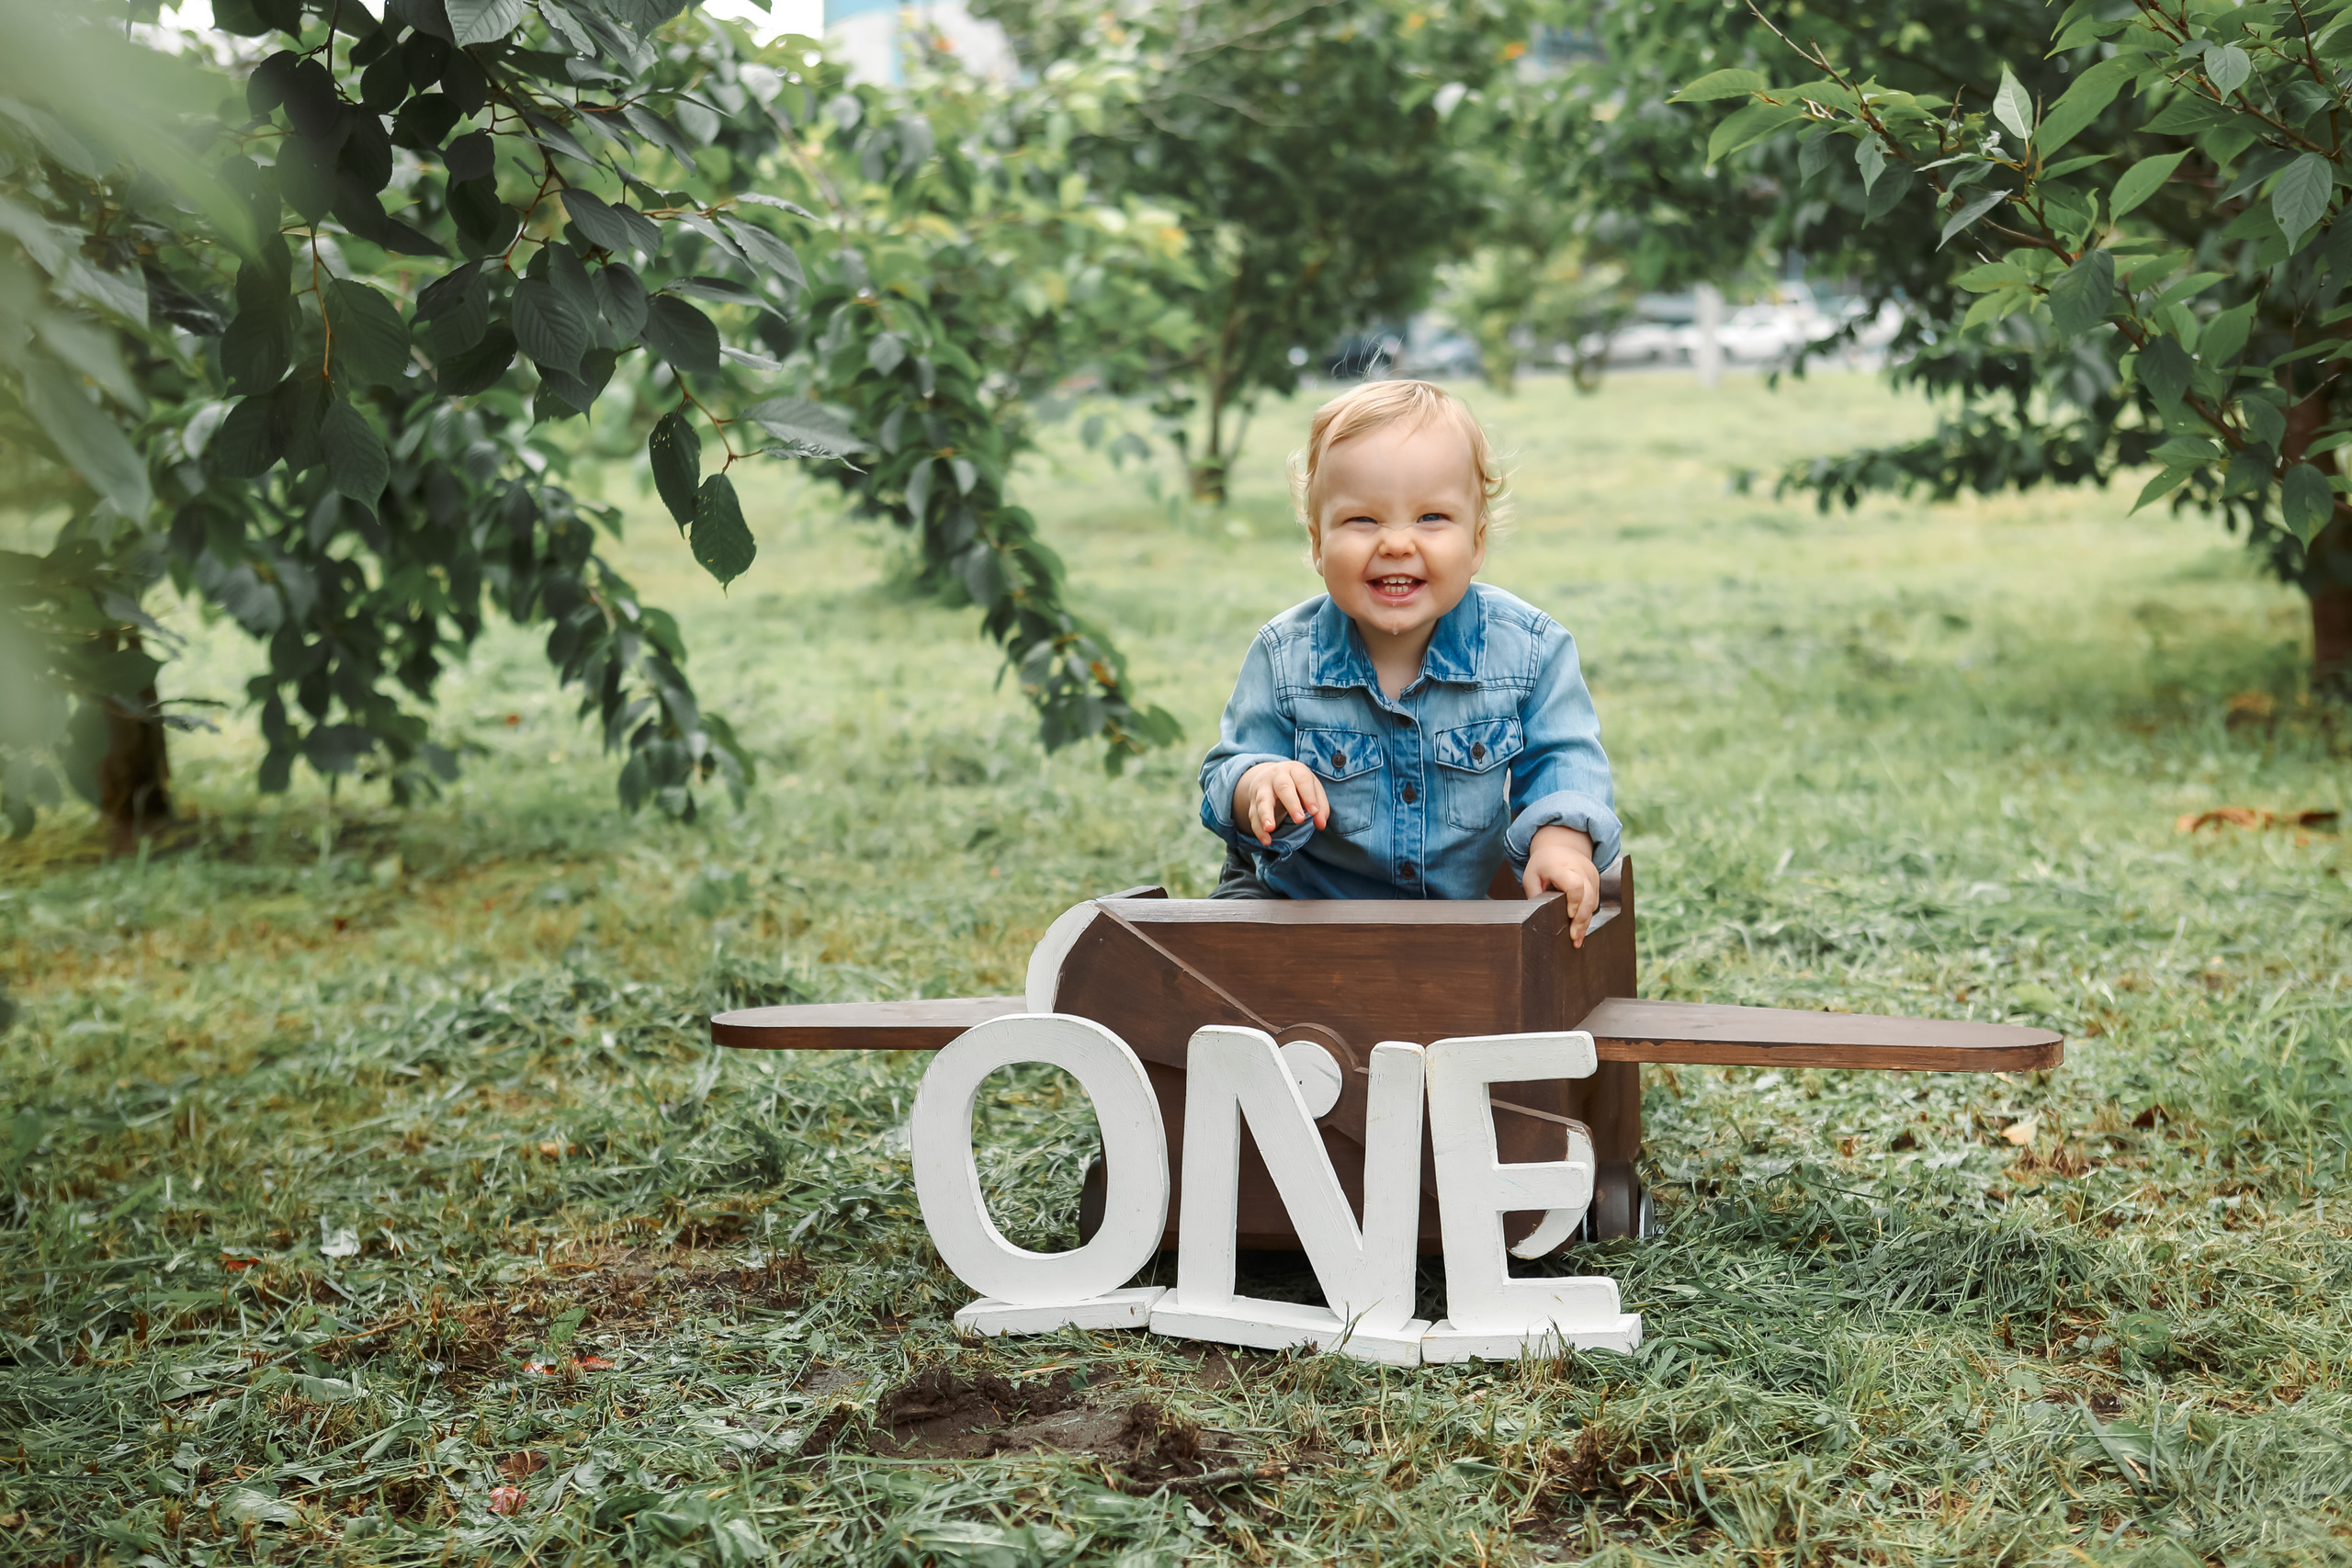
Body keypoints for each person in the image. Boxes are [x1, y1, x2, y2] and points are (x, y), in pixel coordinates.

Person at [1197, 379, 1619, 944]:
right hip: (1301, 910)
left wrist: (1561, 843)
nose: (1396, 543)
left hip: (1458, 918)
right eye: (1363, 521)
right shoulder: (1284, 654)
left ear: (1477, 541)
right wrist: (1260, 784)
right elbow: (1229, 769)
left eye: (1431, 518)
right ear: (1318, 543)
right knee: (1227, 959)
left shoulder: (1530, 648)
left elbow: (1564, 760)